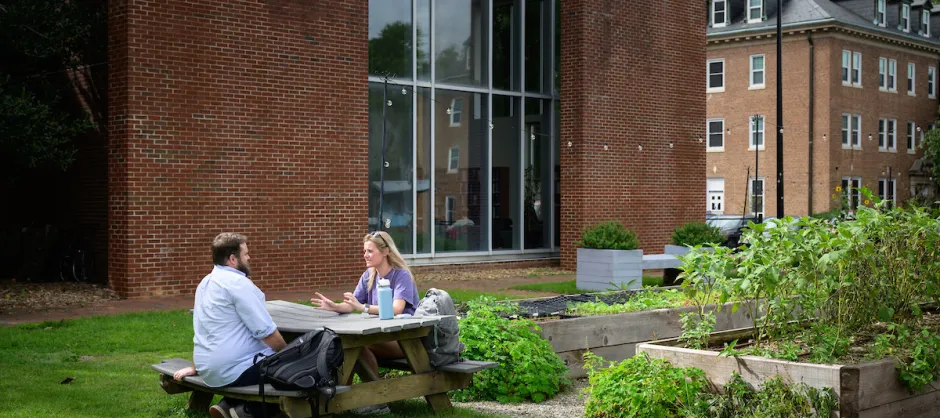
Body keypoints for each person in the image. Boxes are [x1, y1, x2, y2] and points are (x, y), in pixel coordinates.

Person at [173, 233, 287, 418]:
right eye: (246, 254)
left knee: (269, 365)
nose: (249, 257)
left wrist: (196, 366)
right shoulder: (238, 284)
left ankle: (227, 406)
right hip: (233, 370)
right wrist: (287, 354)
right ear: (233, 259)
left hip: (208, 369)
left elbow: (203, 329)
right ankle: (247, 412)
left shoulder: (205, 283)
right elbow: (266, 333)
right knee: (294, 367)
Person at [310, 230, 419, 381]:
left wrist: (364, 308)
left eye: (370, 251)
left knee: (354, 346)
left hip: (405, 339)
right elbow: (352, 305)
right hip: (379, 335)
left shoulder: (401, 275)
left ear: (386, 251)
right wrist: (334, 306)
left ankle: (376, 398)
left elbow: (396, 309)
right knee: (349, 345)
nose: (365, 255)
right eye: (364, 251)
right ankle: (349, 396)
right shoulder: (369, 274)